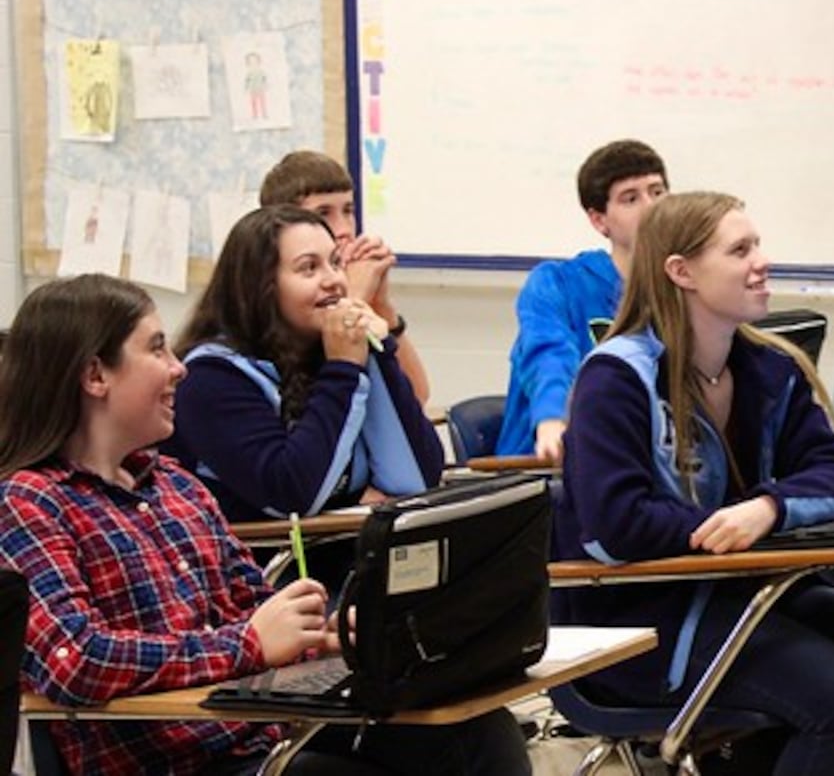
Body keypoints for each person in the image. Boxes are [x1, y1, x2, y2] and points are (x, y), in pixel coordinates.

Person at [0, 274, 528, 776]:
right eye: (157, 349)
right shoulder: (29, 503)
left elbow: (253, 610)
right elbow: (77, 659)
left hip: (258, 735)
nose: (179, 367)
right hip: (183, 760)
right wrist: (248, 646)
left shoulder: (176, 485)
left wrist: (331, 634)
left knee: (475, 729)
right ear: (95, 376)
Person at [555, 191, 834, 775]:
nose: (760, 262)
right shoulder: (616, 377)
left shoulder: (770, 367)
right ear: (681, 272)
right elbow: (615, 523)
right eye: (739, 250)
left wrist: (767, 509)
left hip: (746, 593)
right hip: (641, 619)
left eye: (757, 245)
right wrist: (729, 527)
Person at [167, 205, 444, 526]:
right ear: (262, 286)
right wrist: (343, 368)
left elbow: (417, 478)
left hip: (342, 555)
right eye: (309, 268)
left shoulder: (331, 350)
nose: (334, 281)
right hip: (262, 567)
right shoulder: (210, 377)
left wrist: (373, 348)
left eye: (336, 263)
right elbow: (292, 494)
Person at [498, 138, 669, 460]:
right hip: (546, 472)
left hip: (642, 463)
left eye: (657, 192)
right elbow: (548, 353)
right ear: (599, 220)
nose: (651, 207)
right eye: (630, 199)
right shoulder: (558, 283)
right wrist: (552, 420)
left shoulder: (683, 286)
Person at [259, 150, 430, 405]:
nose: (344, 230)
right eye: (324, 213)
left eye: (348, 211)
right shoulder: (286, 300)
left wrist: (380, 305)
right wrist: (352, 299)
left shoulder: (349, 290)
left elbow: (417, 396)